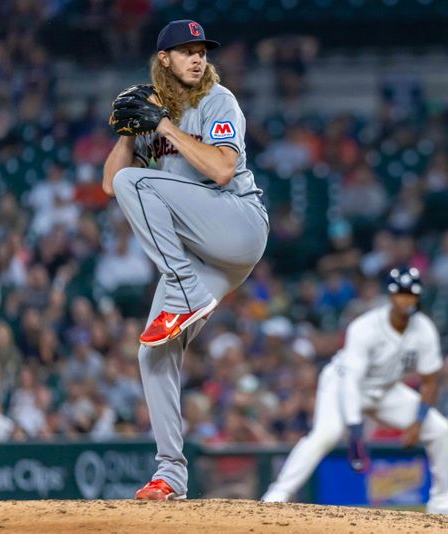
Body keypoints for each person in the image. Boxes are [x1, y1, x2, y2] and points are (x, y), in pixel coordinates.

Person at [102, 19, 269, 501]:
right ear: (164, 60)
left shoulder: (219, 100)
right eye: (185, 50)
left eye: (201, 50)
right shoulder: (154, 111)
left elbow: (221, 169)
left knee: (141, 183)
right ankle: (170, 475)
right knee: (152, 354)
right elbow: (110, 184)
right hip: (202, 254)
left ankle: (185, 290)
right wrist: (129, 134)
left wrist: (165, 127)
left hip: (237, 223)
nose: (197, 58)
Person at [261, 267, 448, 516]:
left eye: (410, 294)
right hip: (342, 384)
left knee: (439, 429)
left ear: (418, 297)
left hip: (385, 390)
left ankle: (442, 499)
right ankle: (278, 494)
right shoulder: (365, 327)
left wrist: (417, 423)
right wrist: (355, 431)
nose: (405, 300)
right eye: (400, 294)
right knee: (326, 434)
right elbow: (352, 382)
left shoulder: (424, 329)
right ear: (390, 295)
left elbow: (430, 380)